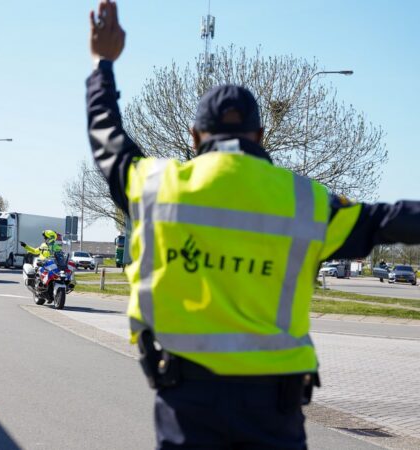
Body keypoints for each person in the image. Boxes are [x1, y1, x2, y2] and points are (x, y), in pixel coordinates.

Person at [87, 1, 420, 448]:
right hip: (273, 414)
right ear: (261, 136)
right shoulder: (306, 203)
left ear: (194, 136)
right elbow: (391, 221)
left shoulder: (156, 188)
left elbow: (108, 142)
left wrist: (102, 65)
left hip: (187, 407)